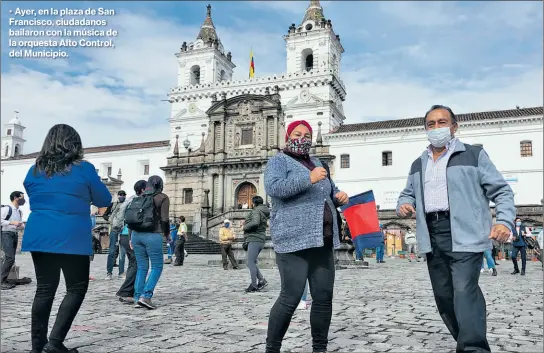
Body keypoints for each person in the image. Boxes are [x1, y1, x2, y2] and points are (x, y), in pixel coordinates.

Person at [397, 105, 515, 353]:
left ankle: (473, 348)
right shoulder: (418, 163)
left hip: (466, 233)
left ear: (454, 126)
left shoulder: (474, 155)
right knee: (444, 298)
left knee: (464, 291)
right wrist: (404, 204)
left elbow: (502, 190)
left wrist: (504, 221)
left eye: (442, 122)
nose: (437, 128)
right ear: (426, 129)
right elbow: (407, 193)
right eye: (431, 124)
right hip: (431, 234)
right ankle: (467, 340)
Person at [22, 124, 112, 353]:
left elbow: (34, 193)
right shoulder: (84, 169)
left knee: (44, 288)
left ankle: (37, 346)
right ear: (75, 144)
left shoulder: (34, 170)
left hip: (40, 232)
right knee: (76, 287)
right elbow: (104, 198)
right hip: (71, 233)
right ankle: (54, 342)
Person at [264, 120, 349, 353]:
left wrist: (339, 195)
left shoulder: (318, 162)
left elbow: (329, 190)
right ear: (288, 137)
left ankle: (319, 348)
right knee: (290, 297)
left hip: (322, 238)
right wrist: (308, 178)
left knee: (323, 297)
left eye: (307, 134)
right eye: (297, 134)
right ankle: (272, 349)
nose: (302, 138)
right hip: (293, 240)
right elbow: (275, 188)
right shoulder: (278, 161)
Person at [129, 175, 171, 310]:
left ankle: (137, 297)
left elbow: (131, 220)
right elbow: (164, 219)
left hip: (136, 235)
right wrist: (167, 234)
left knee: (142, 267)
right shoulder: (162, 197)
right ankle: (146, 296)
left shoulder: (139, 197)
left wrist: (131, 237)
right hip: (152, 235)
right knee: (157, 266)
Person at [116, 180, 147, 304]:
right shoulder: (139, 201)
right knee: (136, 264)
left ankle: (130, 291)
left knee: (133, 264)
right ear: (143, 189)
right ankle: (125, 292)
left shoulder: (130, 200)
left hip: (124, 235)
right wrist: (131, 238)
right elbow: (132, 222)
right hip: (130, 235)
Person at [242, 195, 270, 292]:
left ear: (254, 203)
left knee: (250, 262)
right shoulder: (263, 211)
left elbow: (255, 222)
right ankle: (262, 280)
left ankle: (254, 284)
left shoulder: (256, 211)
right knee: (251, 262)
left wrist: (245, 226)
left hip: (255, 238)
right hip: (259, 239)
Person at [1, 191, 26, 290]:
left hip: (14, 234)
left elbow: (20, 225)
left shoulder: (19, 211)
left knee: (11, 258)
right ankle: (1, 281)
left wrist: (21, 225)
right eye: (22, 198)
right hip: (6, 234)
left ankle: (4, 279)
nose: (23, 200)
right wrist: (12, 222)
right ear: (16, 198)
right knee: (9, 258)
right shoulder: (7, 209)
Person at [104, 190, 127, 280]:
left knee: (122, 252)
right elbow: (105, 215)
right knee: (112, 251)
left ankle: (121, 272)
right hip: (113, 228)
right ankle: (109, 272)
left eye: (123, 195)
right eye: (120, 195)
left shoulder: (126, 205)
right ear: (118, 196)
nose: (121, 196)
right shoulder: (112, 204)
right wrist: (110, 220)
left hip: (123, 229)